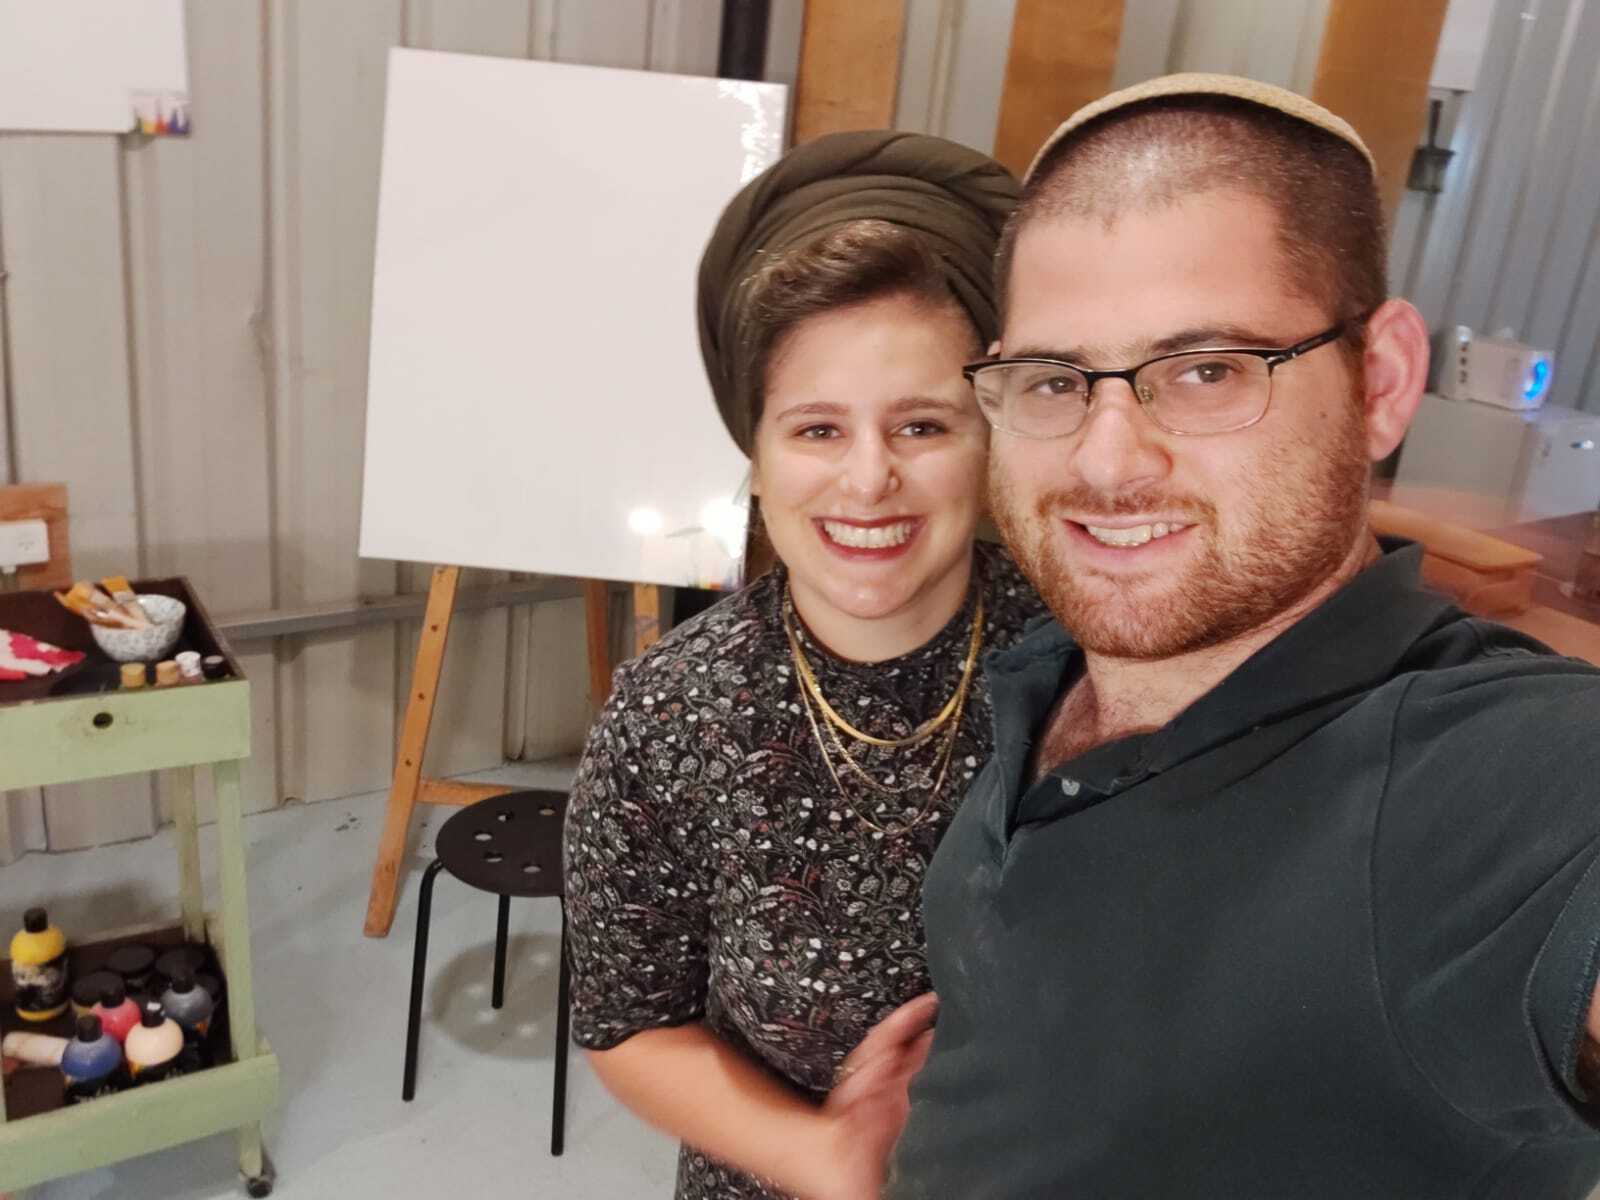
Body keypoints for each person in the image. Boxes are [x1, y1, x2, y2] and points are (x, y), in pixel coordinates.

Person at [886, 74, 1600, 1198]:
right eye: (1053, 380)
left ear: (1381, 381)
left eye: (1207, 370)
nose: (1106, 461)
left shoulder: (1481, 782)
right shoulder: (1044, 665)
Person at [562, 130, 1043, 1200]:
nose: (868, 481)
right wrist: (825, 1156)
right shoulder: (672, 716)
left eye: (922, 425)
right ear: (756, 454)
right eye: (817, 430)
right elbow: (629, 1022)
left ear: (989, 436)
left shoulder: (1086, 668)